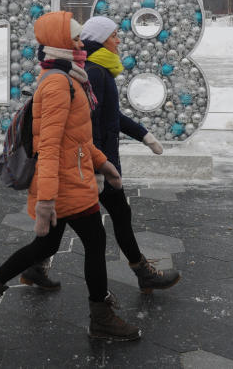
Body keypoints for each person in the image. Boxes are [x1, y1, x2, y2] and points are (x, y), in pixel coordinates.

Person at [0, 11, 141, 341]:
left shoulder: (70, 76)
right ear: (57, 42)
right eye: (73, 38)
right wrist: (46, 200)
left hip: (75, 175)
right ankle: (101, 317)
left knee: (43, 246)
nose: (79, 42)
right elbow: (50, 146)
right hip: (67, 183)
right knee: (94, 241)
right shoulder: (59, 83)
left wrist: (102, 163)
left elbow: (78, 138)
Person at [20, 15, 181, 295]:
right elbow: (86, 125)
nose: (119, 39)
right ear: (101, 39)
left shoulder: (98, 70)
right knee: (116, 217)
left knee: (61, 225)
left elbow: (111, 115)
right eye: (114, 35)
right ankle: (141, 273)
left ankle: (34, 267)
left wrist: (144, 135)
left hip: (96, 162)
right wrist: (97, 169)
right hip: (94, 164)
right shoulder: (94, 72)